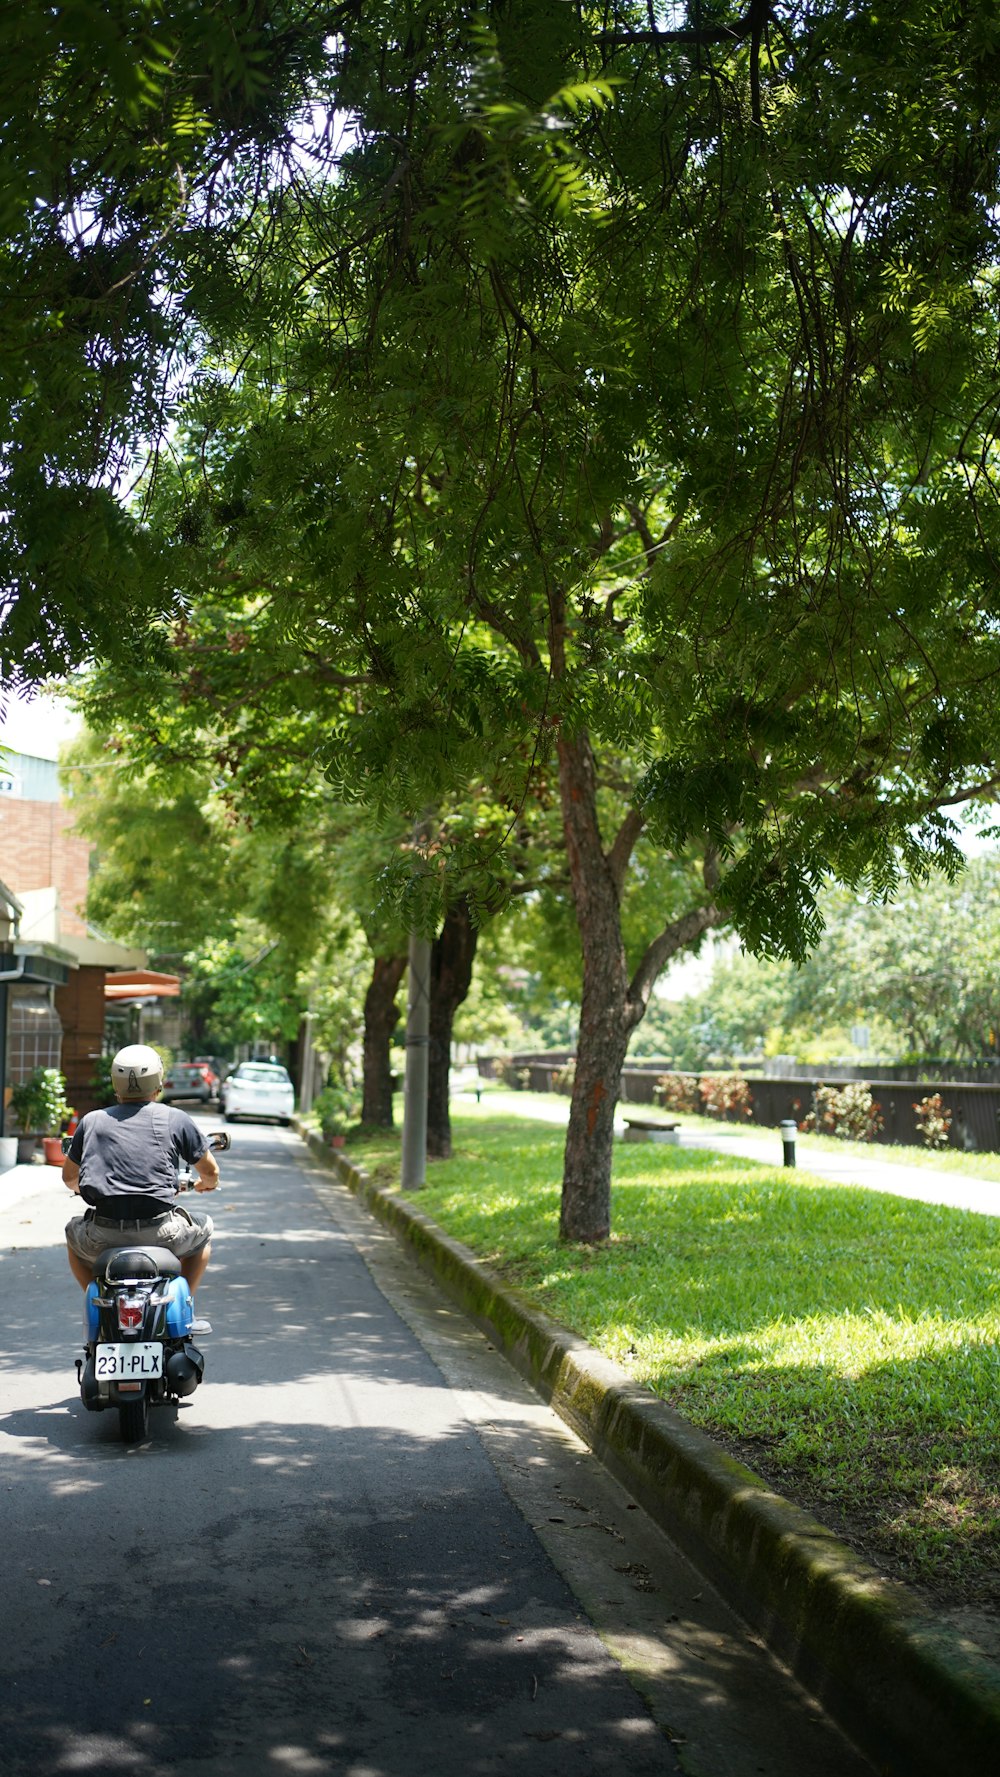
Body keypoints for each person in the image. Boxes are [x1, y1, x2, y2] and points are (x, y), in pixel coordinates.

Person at [63, 1043, 220, 1294]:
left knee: (72, 1233)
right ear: (158, 1083)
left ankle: (95, 1299)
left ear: (115, 1083)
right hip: (163, 1233)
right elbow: (211, 1172)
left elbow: (70, 1177)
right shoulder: (175, 1118)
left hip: (102, 1235)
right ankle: (185, 1300)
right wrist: (204, 1185)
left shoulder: (91, 1121)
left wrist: (82, 1188)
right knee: (205, 1229)